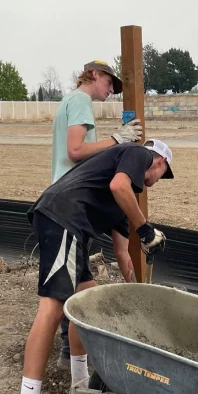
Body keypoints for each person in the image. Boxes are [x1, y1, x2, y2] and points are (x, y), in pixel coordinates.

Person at [6, 139, 174, 394]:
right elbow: (120, 185)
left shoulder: (124, 201)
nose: (154, 182)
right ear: (159, 160)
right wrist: (147, 231)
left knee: (87, 300)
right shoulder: (137, 153)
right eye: (161, 175)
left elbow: (124, 255)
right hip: (63, 218)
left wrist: (139, 297)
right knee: (53, 307)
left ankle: (80, 383)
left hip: (72, 228)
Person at [50, 60, 143, 372]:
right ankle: (70, 354)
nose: (111, 91)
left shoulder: (71, 101)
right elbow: (75, 151)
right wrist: (117, 141)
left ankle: (72, 354)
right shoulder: (80, 101)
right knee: (69, 286)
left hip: (67, 200)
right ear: (95, 75)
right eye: (109, 83)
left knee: (76, 280)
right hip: (69, 203)